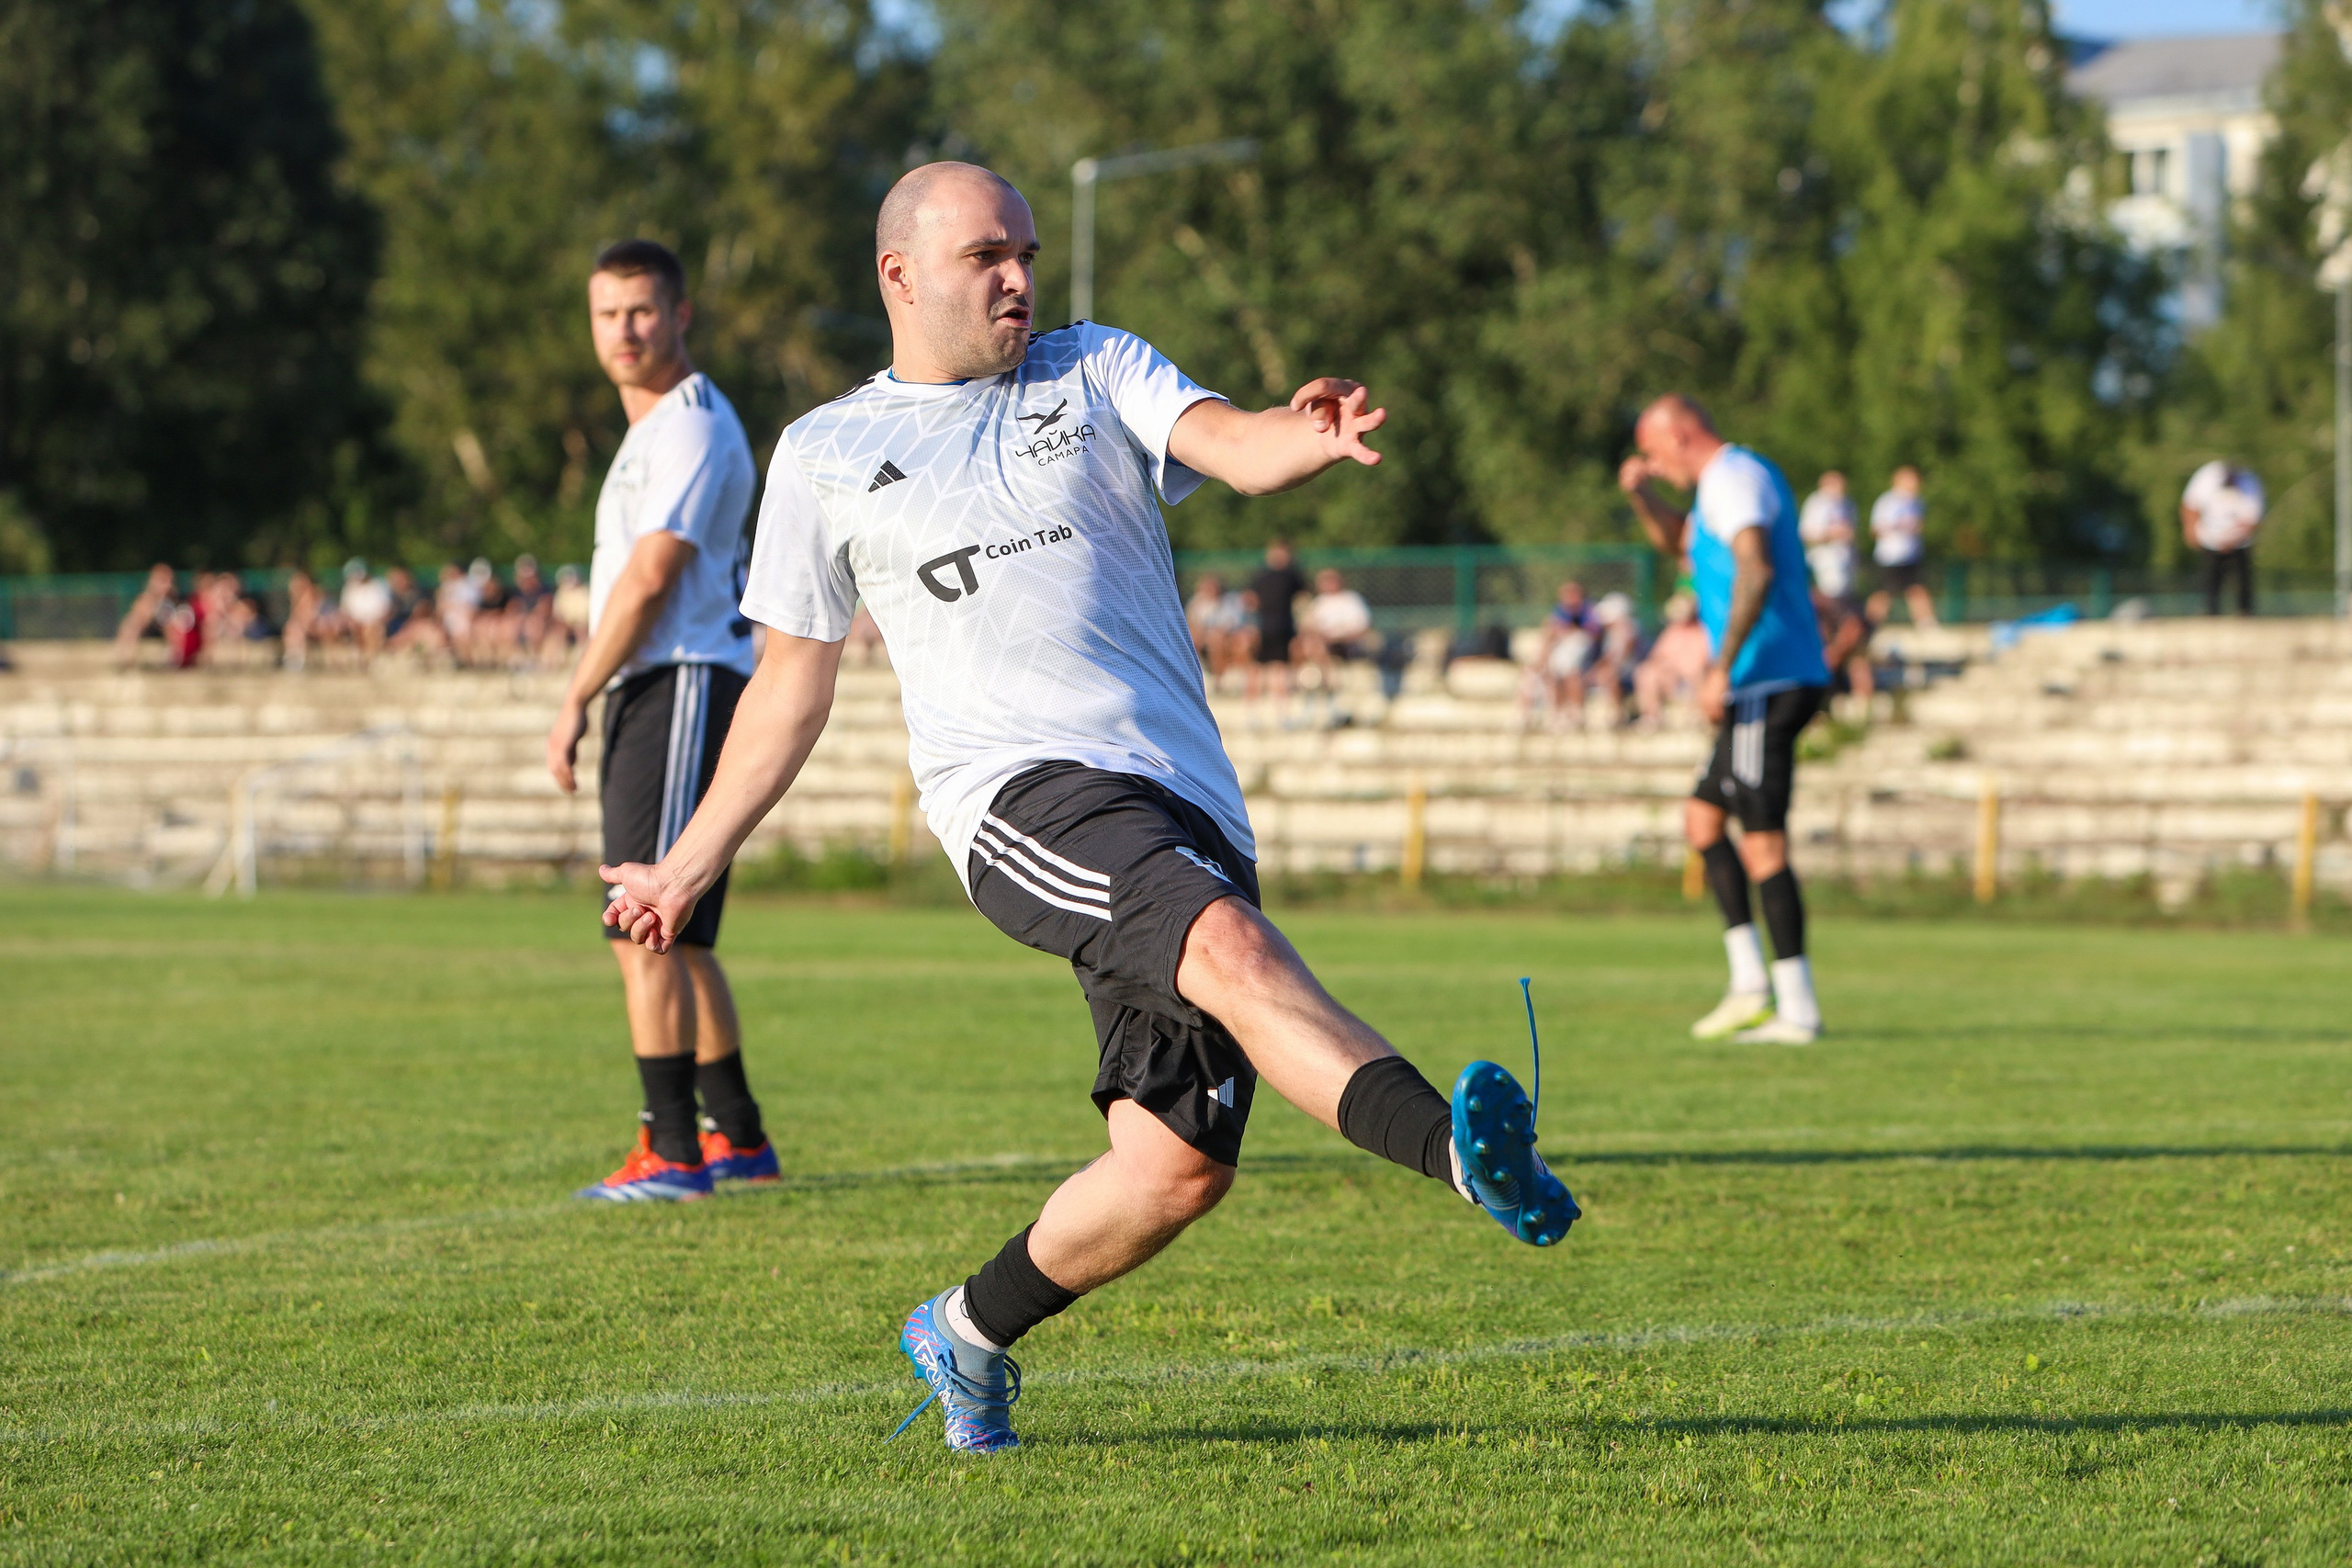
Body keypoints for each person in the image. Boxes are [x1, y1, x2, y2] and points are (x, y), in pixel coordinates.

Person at [598, 162, 1575, 1455]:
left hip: (1182, 798)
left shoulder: (1093, 365)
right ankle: (1459, 1152)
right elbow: (788, 687)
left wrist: (1309, 429)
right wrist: (682, 864)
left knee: (1174, 1167)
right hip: (1016, 796)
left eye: (1030, 253)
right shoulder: (826, 451)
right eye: (986, 255)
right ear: (899, 274)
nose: (1018, 277)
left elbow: (1232, 439)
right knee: (1225, 947)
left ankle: (961, 1328)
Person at [545, 237, 776, 1203]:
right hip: (673, 683)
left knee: (641, 920)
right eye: (608, 314)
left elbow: (650, 580)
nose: (625, 330)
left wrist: (573, 694)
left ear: (680, 315)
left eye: (642, 311)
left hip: (678, 679)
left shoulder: (686, 424)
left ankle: (671, 1152)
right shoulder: (657, 430)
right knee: (682, 939)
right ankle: (740, 1140)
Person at [1619, 395, 1831, 1046]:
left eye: (1656, 452)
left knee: (1764, 841)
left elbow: (1757, 565)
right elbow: (1677, 542)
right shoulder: (1716, 488)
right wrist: (1641, 497)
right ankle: (1749, 985)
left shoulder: (1735, 477)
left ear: (1681, 434)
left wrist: (1722, 666)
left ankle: (1796, 1007)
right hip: (1757, 684)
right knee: (1703, 819)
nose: (1654, 465)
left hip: (1767, 680)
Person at [2181, 460, 2264, 616]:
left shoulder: (2249, 482)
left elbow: (2252, 519)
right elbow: (2190, 505)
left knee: (2242, 578)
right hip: (2210, 540)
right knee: (2210, 577)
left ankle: (2244, 611)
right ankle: (2210, 611)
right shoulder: (2206, 477)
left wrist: (2231, 540)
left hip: (2239, 542)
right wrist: (2191, 530)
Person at [1866, 467, 1937, 628]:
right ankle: (1870, 624)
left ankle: (1926, 624)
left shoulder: (1917, 502)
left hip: (1911, 554)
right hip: (1890, 556)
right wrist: (1898, 527)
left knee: (1917, 588)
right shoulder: (1887, 501)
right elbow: (1875, 529)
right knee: (1884, 593)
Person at [1633, 592, 1711, 728]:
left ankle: (1696, 716)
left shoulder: (1701, 632)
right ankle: (1651, 717)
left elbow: (1701, 661)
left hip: (1691, 678)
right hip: (1671, 677)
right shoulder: (1671, 631)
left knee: (1696, 673)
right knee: (1645, 673)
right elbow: (1657, 656)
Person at [1526, 580, 1595, 728]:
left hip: (1579, 653)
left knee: (1569, 671)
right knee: (1553, 672)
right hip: (1563, 650)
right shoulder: (1561, 611)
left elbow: (1591, 633)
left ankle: (1575, 712)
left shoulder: (1587, 611)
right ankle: (1557, 712)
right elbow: (1552, 630)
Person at [1245, 539, 1306, 703]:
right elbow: (1250, 602)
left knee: (1278, 669)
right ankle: (1253, 710)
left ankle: (1280, 709)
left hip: (1282, 628)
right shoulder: (1262, 576)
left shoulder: (1292, 576)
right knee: (1257, 669)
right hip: (1266, 627)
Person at [1798, 471, 1857, 601]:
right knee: (1830, 599)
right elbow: (1806, 534)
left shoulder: (1847, 503)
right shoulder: (1816, 503)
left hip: (1845, 557)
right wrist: (1832, 535)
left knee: (1845, 599)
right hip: (1825, 559)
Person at [1184, 572, 1249, 684]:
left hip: (1223, 636)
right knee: (1193, 638)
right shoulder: (1197, 602)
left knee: (1216, 640)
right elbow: (1191, 622)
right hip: (1203, 635)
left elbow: (1231, 623)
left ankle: (1218, 679)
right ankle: (1194, 673)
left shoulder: (1227, 602)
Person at [112, 564, 181, 669]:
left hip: (167, 628)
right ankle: (125, 655)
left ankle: (174, 658)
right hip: (149, 627)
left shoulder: (173, 598)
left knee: (171, 623)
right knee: (131, 623)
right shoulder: (146, 598)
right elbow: (139, 614)